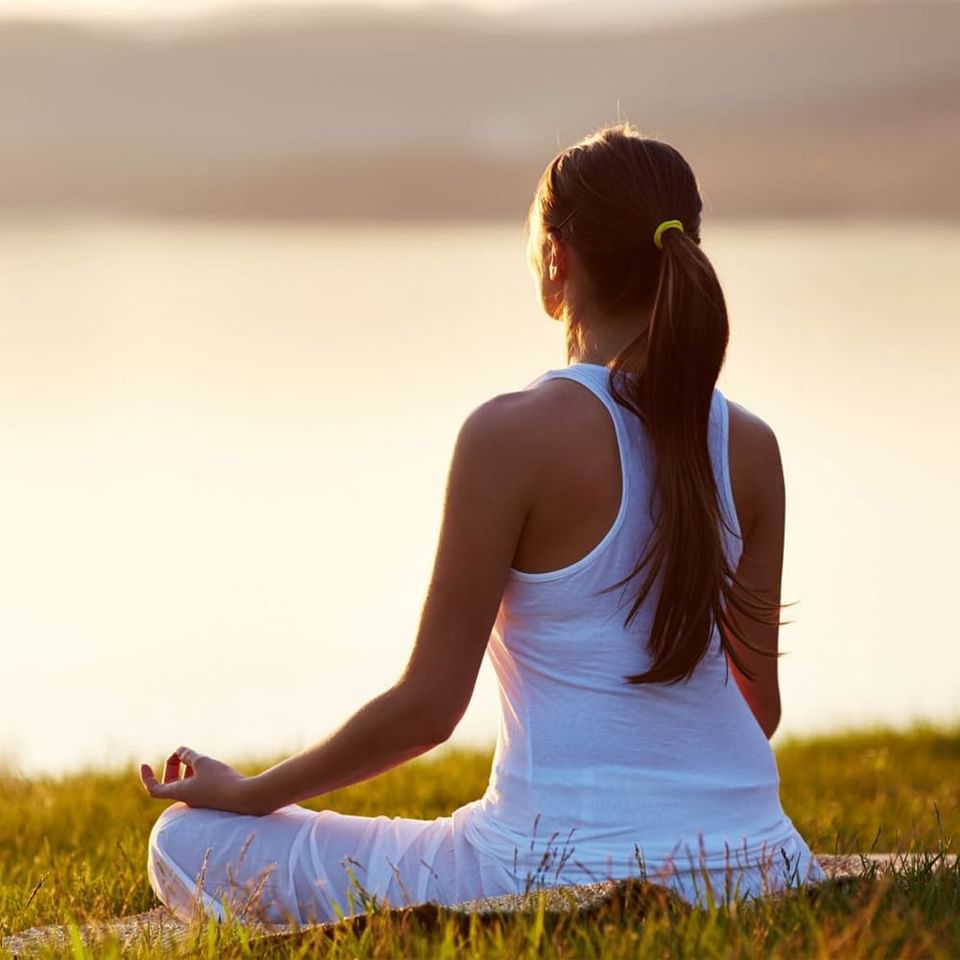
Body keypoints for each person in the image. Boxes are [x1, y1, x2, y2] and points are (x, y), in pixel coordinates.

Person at [142, 122, 825, 925]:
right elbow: (759, 710)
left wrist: (253, 792)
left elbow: (430, 710)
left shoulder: (510, 436)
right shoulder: (750, 444)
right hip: (764, 860)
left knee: (182, 841)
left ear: (558, 262)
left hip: (544, 869)